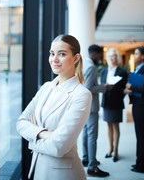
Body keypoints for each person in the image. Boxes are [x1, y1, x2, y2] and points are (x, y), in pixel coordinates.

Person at [16, 34, 92, 180]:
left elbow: (59, 146)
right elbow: (20, 123)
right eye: (52, 53)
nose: (54, 59)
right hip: (37, 169)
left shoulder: (81, 94)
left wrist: (32, 140)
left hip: (62, 174)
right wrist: (45, 133)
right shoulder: (46, 87)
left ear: (75, 58)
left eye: (62, 54)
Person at [82, 44, 110, 178]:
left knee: (86, 133)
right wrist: (103, 87)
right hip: (91, 107)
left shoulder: (83, 64)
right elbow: (88, 88)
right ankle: (92, 167)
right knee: (92, 136)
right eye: (100, 56)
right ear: (95, 55)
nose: (100, 59)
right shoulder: (92, 67)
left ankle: (86, 158)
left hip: (85, 106)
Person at [124, 46, 144, 173]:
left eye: (136, 54)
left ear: (143, 56)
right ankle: (139, 162)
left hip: (143, 105)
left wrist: (131, 86)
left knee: (141, 135)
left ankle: (143, 166)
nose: (134, 56)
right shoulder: (138, 68)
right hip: (137, 103)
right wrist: (129, 89)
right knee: (139, 135)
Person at [101, 48, 127, 162]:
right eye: (110, 56)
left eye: (114, 56)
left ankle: (116, 151)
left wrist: (120, 94)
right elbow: (101, 85)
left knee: (116, 126)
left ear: (117, 58)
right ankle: (110, 149)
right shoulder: (104, 71)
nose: (112, 58)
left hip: (116, 102)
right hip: (106, 101)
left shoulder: (122, 72)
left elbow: (124, 89)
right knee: (109, 126)